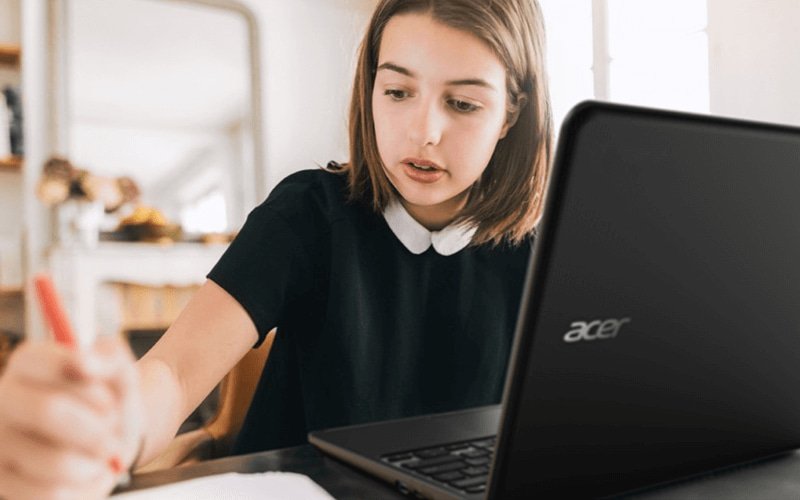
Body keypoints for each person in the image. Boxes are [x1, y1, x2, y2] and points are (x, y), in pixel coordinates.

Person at [0, 0, 552, 498]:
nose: (422, 131)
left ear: (510, 112)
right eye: (398, 92)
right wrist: (112, 425)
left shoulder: (542, 249)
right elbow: (173, 371)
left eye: (461, 103)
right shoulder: (309, 212)